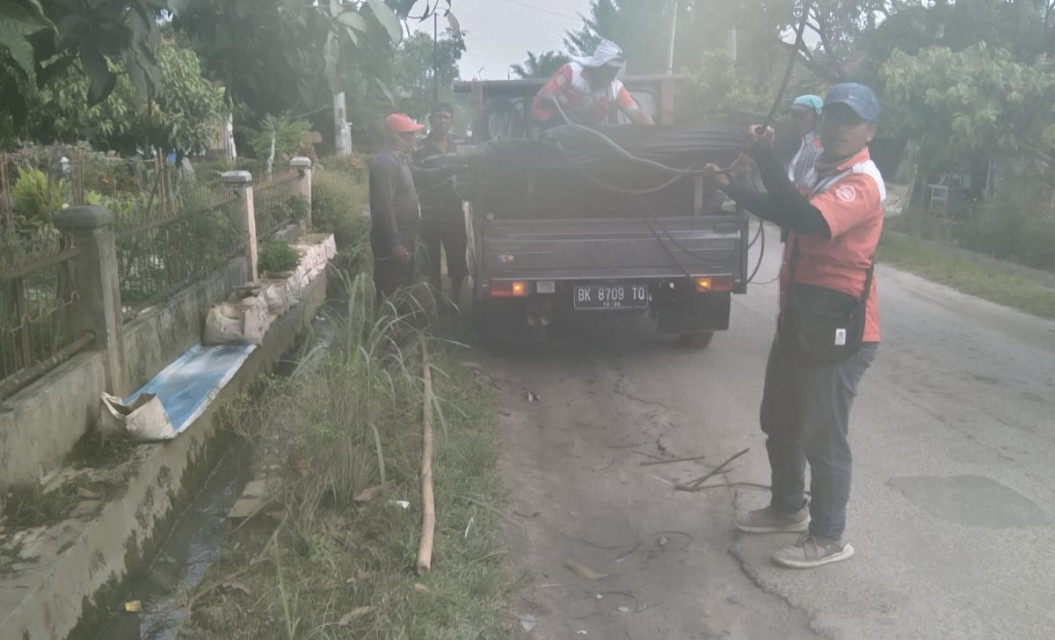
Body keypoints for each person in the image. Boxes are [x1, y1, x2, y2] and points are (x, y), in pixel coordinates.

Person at [703, 83, 885, 569]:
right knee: (780, 420)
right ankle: (787, 509)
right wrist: (731, 188)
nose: (841, 127)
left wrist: (764, 157)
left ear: (871, 130)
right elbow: (782, 208)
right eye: (835, 117)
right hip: (800, 321)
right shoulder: (822, 170)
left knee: (823, 436)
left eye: (853, 120)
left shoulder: (862, 181)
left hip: (839, 330)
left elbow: (805, 220)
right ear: (823, 122)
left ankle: (828, 535)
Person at [413, 103, 469, 305]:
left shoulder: (461, 145)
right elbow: (418, 179)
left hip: (454, 213)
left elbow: (469, 173)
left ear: (451, 121)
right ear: (431, 120)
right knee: (431, 263)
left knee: (457, 260)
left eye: (446, 117)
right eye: (439, 117)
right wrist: (449, 173)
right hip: (429, 215)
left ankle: (454, 299)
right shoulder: (419, 149)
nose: (442, 121)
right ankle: (437, 301)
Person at [531, 39, 655, 127]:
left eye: (614, 70)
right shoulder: (571, 72)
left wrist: (655, 134)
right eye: (608, 69)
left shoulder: (616, 89)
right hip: (554, 127)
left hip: (587, 134)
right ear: (598, 66)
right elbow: (544, 96)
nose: (611, 75)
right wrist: (556, 98)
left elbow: (637, 114)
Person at [370, 113, 424, 300]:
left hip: (404, 236)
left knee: (402, 286)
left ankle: (399, 326)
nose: (415, 138)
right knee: (390, 289)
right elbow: (384, 208)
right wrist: (395, 243)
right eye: (411, 135)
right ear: (397, 138)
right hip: (393, 241)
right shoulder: (385, 164)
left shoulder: (399, 160)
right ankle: (389, 329)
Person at [787, 94, 824, 191]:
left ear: (818, 117)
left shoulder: (820, 148)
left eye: (802, 115)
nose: (797, 120)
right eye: (794, 115)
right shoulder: (800, 143)